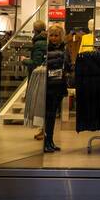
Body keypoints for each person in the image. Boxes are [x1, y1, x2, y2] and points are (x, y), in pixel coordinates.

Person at [42, 24, 68, 154]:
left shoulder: (64, 48)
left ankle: (50, 141)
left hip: (59, 85)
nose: (53, 38)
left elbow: (67, 64)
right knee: (48, 115)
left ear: (61, 36)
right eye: (51, 35)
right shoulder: (45, 48)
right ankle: (45, 142)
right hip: (48, 85)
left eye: (56, 35)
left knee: (53, 116)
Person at [28, 21, 48, 140]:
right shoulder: (44, 41)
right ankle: (42, 130)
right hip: (42, 74)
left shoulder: (38, 43)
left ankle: (42, 130)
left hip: (39, 76)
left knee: (39, 104)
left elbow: (36, 62)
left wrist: (24, 60)